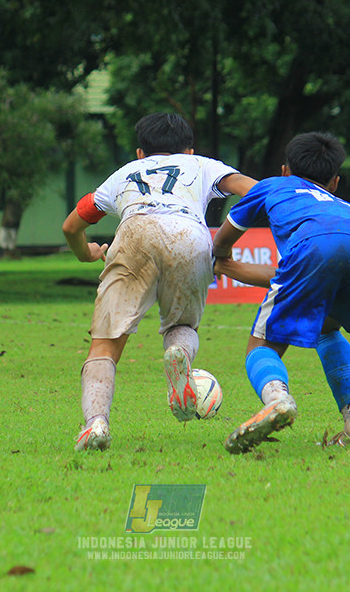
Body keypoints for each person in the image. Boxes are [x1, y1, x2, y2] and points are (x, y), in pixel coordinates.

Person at [62, 112, 255, 451]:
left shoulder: (123, 174)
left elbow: (71, 225)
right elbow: (252, 191)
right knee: (183, 325)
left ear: (140, 153)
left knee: (105, 345)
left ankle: (96, 424)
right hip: (189, 235)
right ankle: (179, 353)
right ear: (189, 151)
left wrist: (87, 253)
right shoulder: (202, 166)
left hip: (134, 233)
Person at [212, 132, 350, 454]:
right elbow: (294, 277)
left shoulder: (273, 186)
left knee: (261, 346)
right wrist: (232, 269)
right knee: (328, 331)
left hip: (316, 247)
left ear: (286, 170)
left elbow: (229, 230)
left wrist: (219, 257)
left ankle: (278, 401)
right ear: (335, 182)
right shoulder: (344, 206)